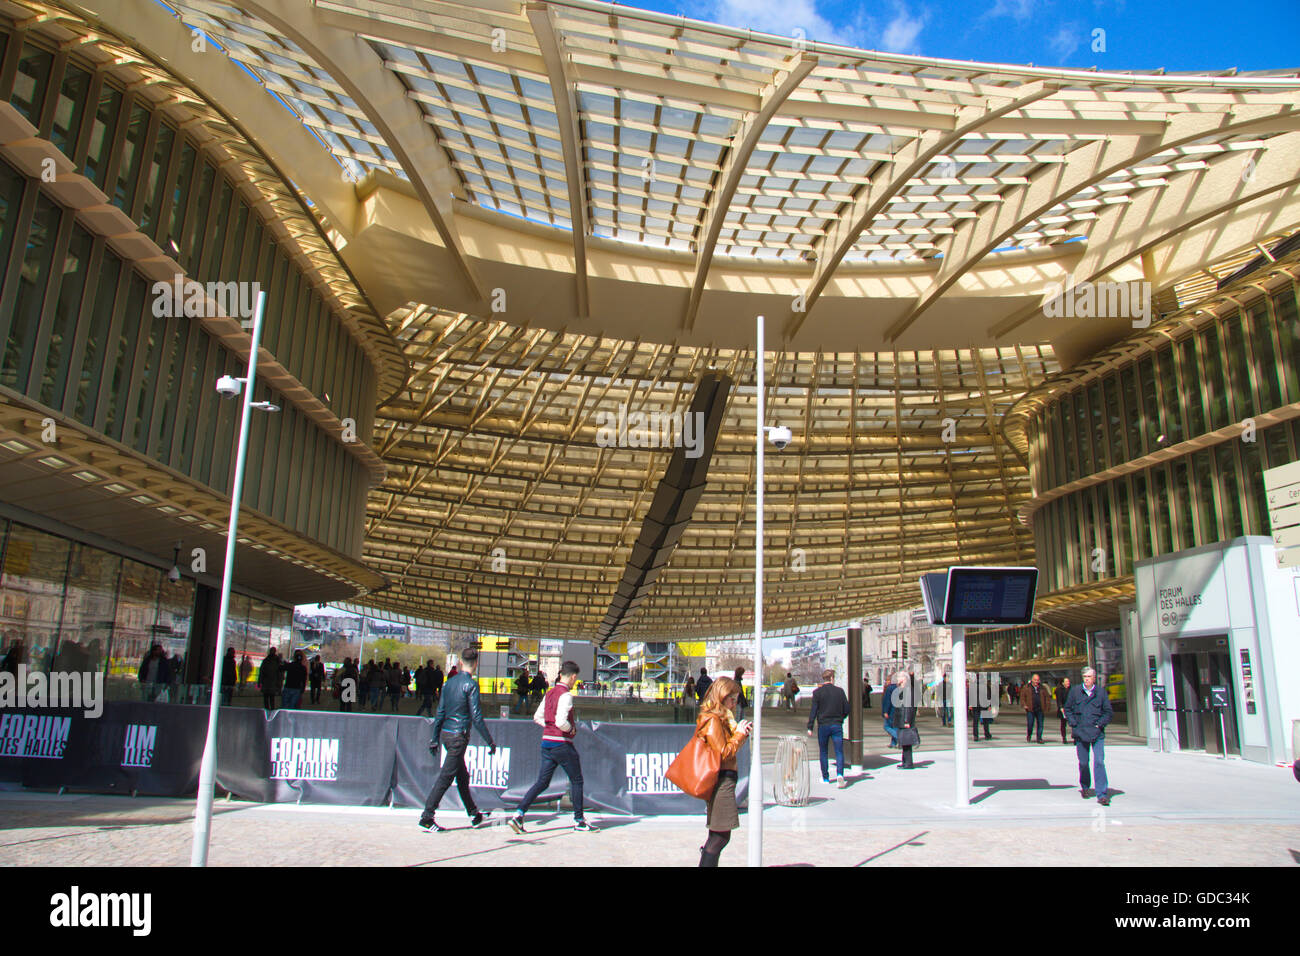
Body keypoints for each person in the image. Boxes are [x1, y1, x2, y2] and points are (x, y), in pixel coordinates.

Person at [508, 660, 599, 833]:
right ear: (572, 677)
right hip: (562, 743)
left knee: (542, 782)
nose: (575, 681)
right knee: (576, 780)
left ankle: (519, 814)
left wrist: (549, 728)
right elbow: (561, 721)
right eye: (575, 678)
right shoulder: (566, 695)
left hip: (547, 743)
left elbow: (537, 716)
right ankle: (579, 820)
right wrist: (570, 729)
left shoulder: (549, 693)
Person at [420, 649, 494, 832]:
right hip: (459, 736)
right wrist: (490, 741)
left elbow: (440, 712)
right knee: (446, 777)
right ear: (476, 663)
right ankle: (427, 816)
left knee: (462, 776)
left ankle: (474, 814)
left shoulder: (448, 684)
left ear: (460, 662)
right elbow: (476, 717)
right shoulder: (471, 685)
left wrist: (434, 738)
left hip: (446, 734)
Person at [694, 676, 751, 867]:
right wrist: (740, 735)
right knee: (720, 836)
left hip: (723, 779)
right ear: (722, 696)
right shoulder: (713, 720)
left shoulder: (720, 718)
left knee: (717, 835)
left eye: (736, 700)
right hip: (721, 780)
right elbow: (723, 752)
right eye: (732, 699)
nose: (734, 704)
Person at [1065, 667, 1113, 805]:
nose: (1087, 679)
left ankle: (1102, 794)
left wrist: (1100, 724)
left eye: (1089, 676)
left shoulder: (1101, 693)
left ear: (1094, 678)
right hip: (1081, 732)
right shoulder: (1075, 692)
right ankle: (1085, 786)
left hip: (1097, 733)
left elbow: (1108, 712)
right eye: (1085, 676)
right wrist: (1073, 723)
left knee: (1099, 762)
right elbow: (1067, 708)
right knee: (1084, 763)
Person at [806, 669, 850, 787]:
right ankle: (840, 774)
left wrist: (810, 726)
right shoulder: (840, 692)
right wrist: (840, 718)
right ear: (832, 678)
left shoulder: (817, 693)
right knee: (839, 751)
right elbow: (847, 709)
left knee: (823, 751)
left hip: (823, 725)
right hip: (836, 725)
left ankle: (825, 777)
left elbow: (813, 711)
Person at [892, 672, 918, 769]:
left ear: (905, 679)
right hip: (901, 718)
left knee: (906, 741)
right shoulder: (902, 689)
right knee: (904, 741)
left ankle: (908, 763)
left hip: (905, 718)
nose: (897, 679)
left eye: (899, 677)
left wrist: (907, 720)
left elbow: (908, 706)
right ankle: (905, 761)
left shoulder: (908, 690)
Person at [1020, 672, 1048, 744]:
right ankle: (1029, 735)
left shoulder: (1042, 688)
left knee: (1040, 724)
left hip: (1040, 709)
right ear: (1032, 680)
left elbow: (1047, 697)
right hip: (1030, 709)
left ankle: (1039, 738)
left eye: (1037, 680)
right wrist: (1024, 705)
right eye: (1035, 680)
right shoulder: (1026, 687)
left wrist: (1046, 706)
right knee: (1030, 724)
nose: (1036, 681)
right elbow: (1022, 697)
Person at [881, 672, 900, 748]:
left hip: (891, 711)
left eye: (888, 680)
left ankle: (899, 738)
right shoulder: (899, 687)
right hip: (898, 710)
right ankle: (893, 743)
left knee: (887, 726)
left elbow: (887, 701)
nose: (886, 682)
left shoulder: (889, 688)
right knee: (894, 727)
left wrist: (885, 711)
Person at [1054, 677, 1072, 744]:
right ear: (1062, 683)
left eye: (1068, 681)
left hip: (1071, 709)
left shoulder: (1071, 689)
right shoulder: (1059, 690)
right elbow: (1059, 700)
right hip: (1063, 709)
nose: (1068, 683)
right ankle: (1064, 737)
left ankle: (1075, 737)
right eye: (1066, 681)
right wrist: (1061, 707)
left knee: (1073, 723)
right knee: (1063, 724)